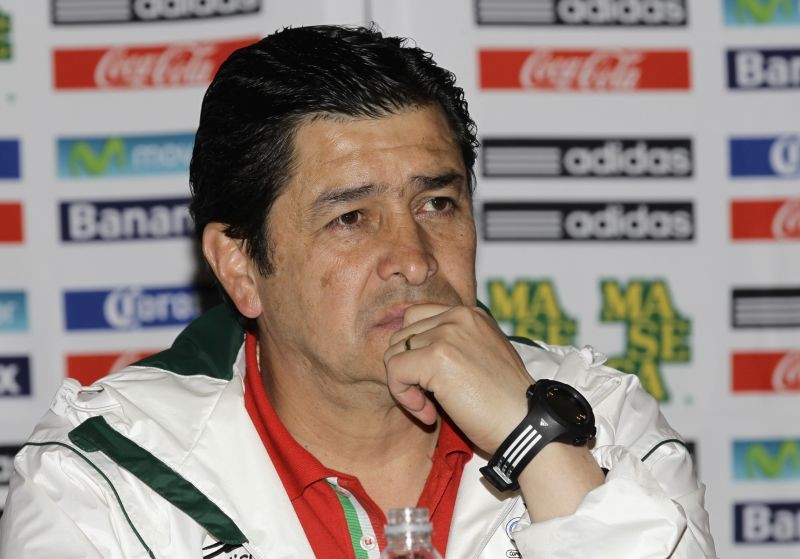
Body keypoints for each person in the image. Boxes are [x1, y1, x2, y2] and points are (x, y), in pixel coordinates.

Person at [0, 25, 716, 558]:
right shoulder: (104, 478)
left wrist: (535, 439)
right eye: (351, 218)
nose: (411, 258)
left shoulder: (600, 421)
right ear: (241, 265)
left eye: (437, 204)